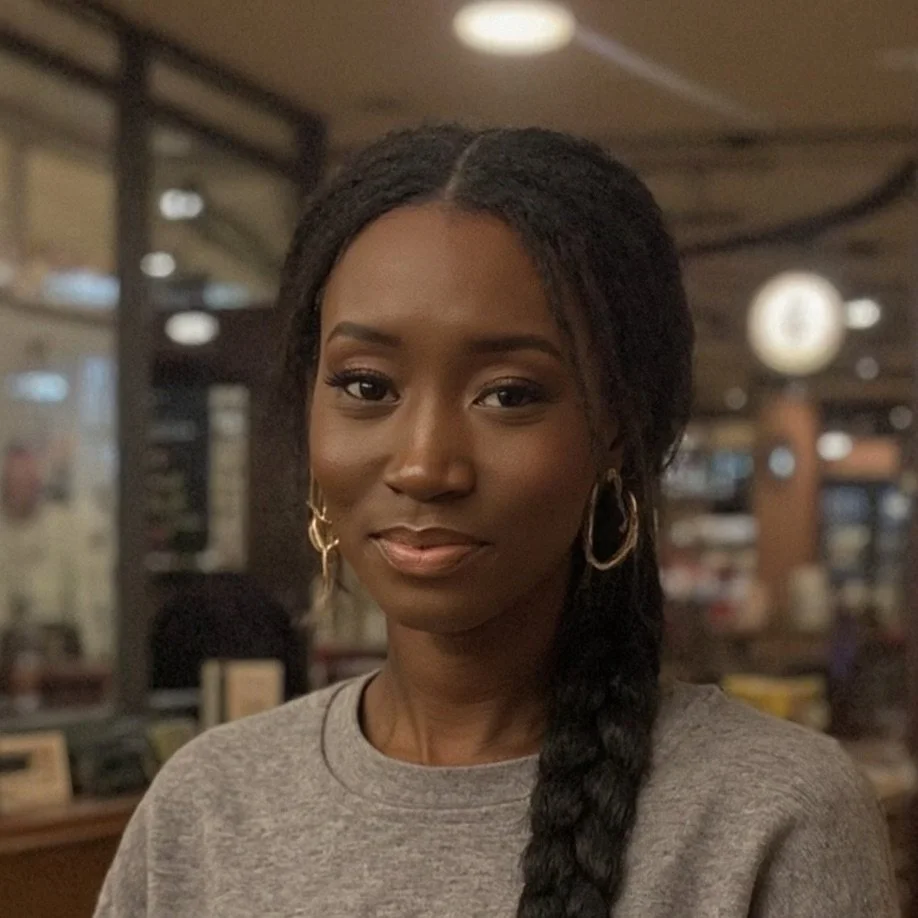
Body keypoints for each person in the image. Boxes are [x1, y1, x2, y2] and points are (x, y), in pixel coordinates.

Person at [95, 126, 898, 918]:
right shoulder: (207, 808)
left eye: (510, 394)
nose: (423, 464)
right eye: (368, 386)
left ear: (616, 428)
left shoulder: (771, 817)